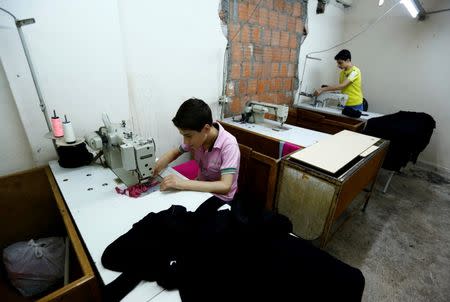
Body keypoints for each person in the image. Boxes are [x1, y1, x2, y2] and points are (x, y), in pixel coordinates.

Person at [153, 97, 240, 204]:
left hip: (220, 199)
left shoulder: (229, 145)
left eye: (188, 136)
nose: (186, 141)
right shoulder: (198, 138)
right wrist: (158, 165)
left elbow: (225, 186)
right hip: (200, 190)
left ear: (206, 129)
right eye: (183, 136)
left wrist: (182, 183)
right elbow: (175, 152)